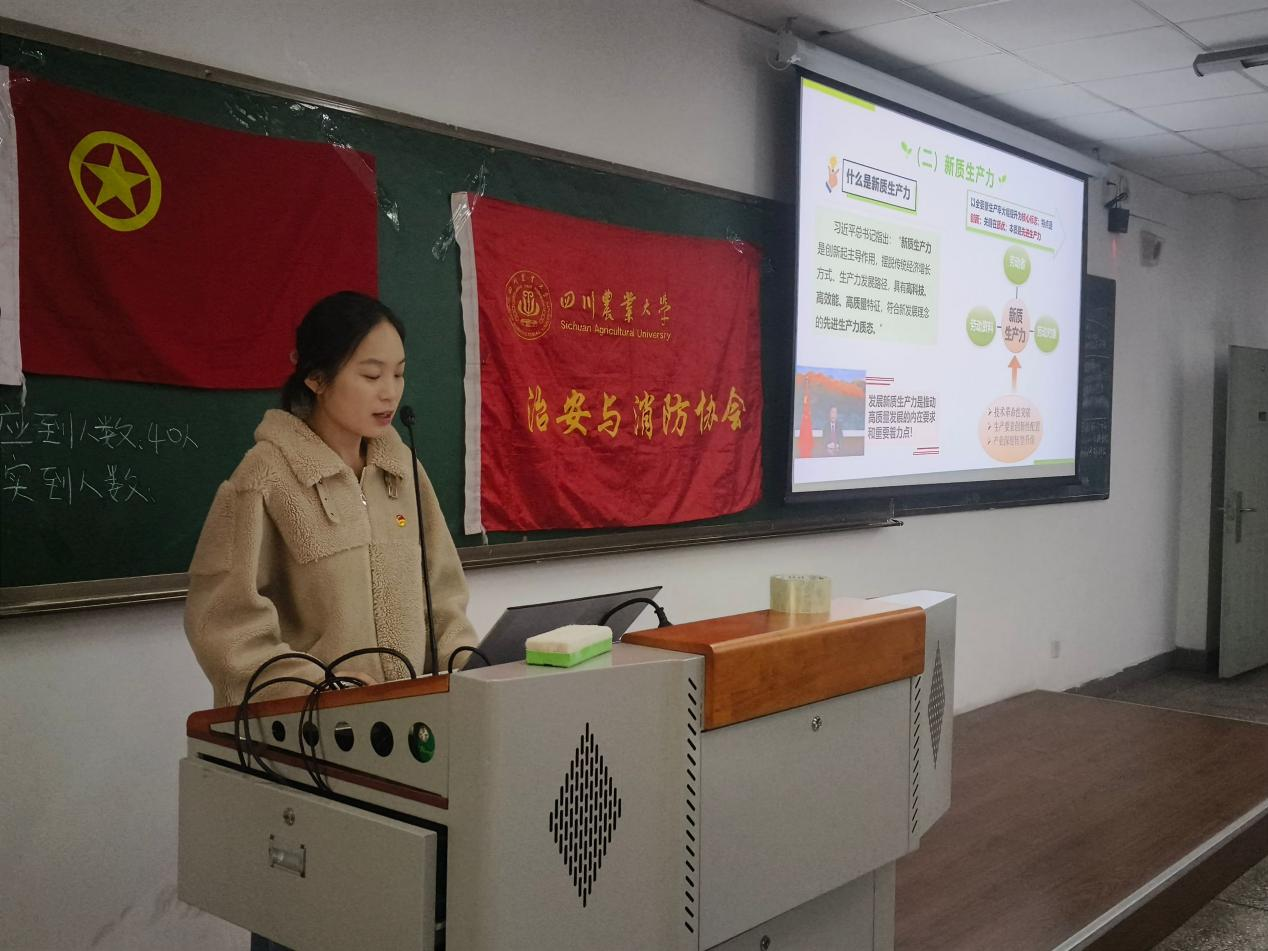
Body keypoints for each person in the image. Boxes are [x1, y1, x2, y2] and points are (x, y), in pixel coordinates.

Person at [185, 291, 477, 709]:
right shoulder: (264, 477)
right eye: (371, 376)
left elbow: (444, 595)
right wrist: (313, 686)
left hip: (409, 719)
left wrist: (469, 665)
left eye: (399, 374)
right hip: (315, 728)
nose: (390, 393)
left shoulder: (402, 471)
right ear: (317, 378)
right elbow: (224, 624)